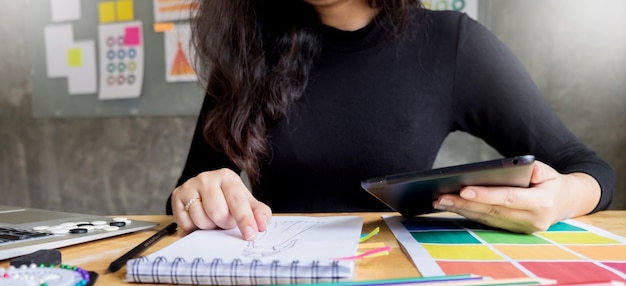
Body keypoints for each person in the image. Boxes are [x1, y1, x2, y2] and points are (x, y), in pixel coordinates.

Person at [168, 0, 615, 240]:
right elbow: (191, 191)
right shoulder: (247, 54)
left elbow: (590, 169)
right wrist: (197, 197)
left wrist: (562, 198)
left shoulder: (451, 43)